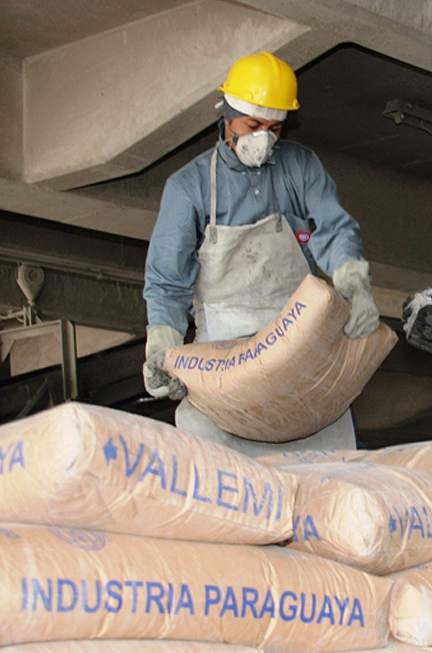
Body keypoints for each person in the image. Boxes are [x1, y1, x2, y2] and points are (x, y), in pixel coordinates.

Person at [142, 51, 380, 452]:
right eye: (253, 125)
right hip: (224, 358)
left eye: (274, 128)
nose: (263, 137)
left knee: (333, 456)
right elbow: (167, 282)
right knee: (205, 441)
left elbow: (333, 228)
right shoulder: (189, 188)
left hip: (297, 346)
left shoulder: (300, 167)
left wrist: (353, 283)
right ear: (227, 116)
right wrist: (161, 348)